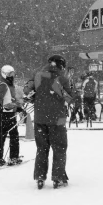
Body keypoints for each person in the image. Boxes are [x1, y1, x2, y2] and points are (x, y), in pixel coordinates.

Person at [24, 54, 75, 189]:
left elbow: (27, 92)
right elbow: (70, 98)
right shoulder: (62, 78)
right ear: (61, 65)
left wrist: (38, 96)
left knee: (42, 148)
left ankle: (40, 176)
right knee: (60, 148)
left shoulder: (38, 75)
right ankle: (58, 177)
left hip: (40, 118)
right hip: (58, 119)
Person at [0, 65, 24, 167]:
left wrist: (18, 107)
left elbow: (12, 98)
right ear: (4, 74)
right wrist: (3, 107)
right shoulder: (3, 84)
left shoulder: (9, 84)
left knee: (12, 135)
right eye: (10, 74)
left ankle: (11, 157)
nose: (12, 76)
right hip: (4, 113)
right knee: (4, 135)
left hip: (10, 112)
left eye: (13, 74)